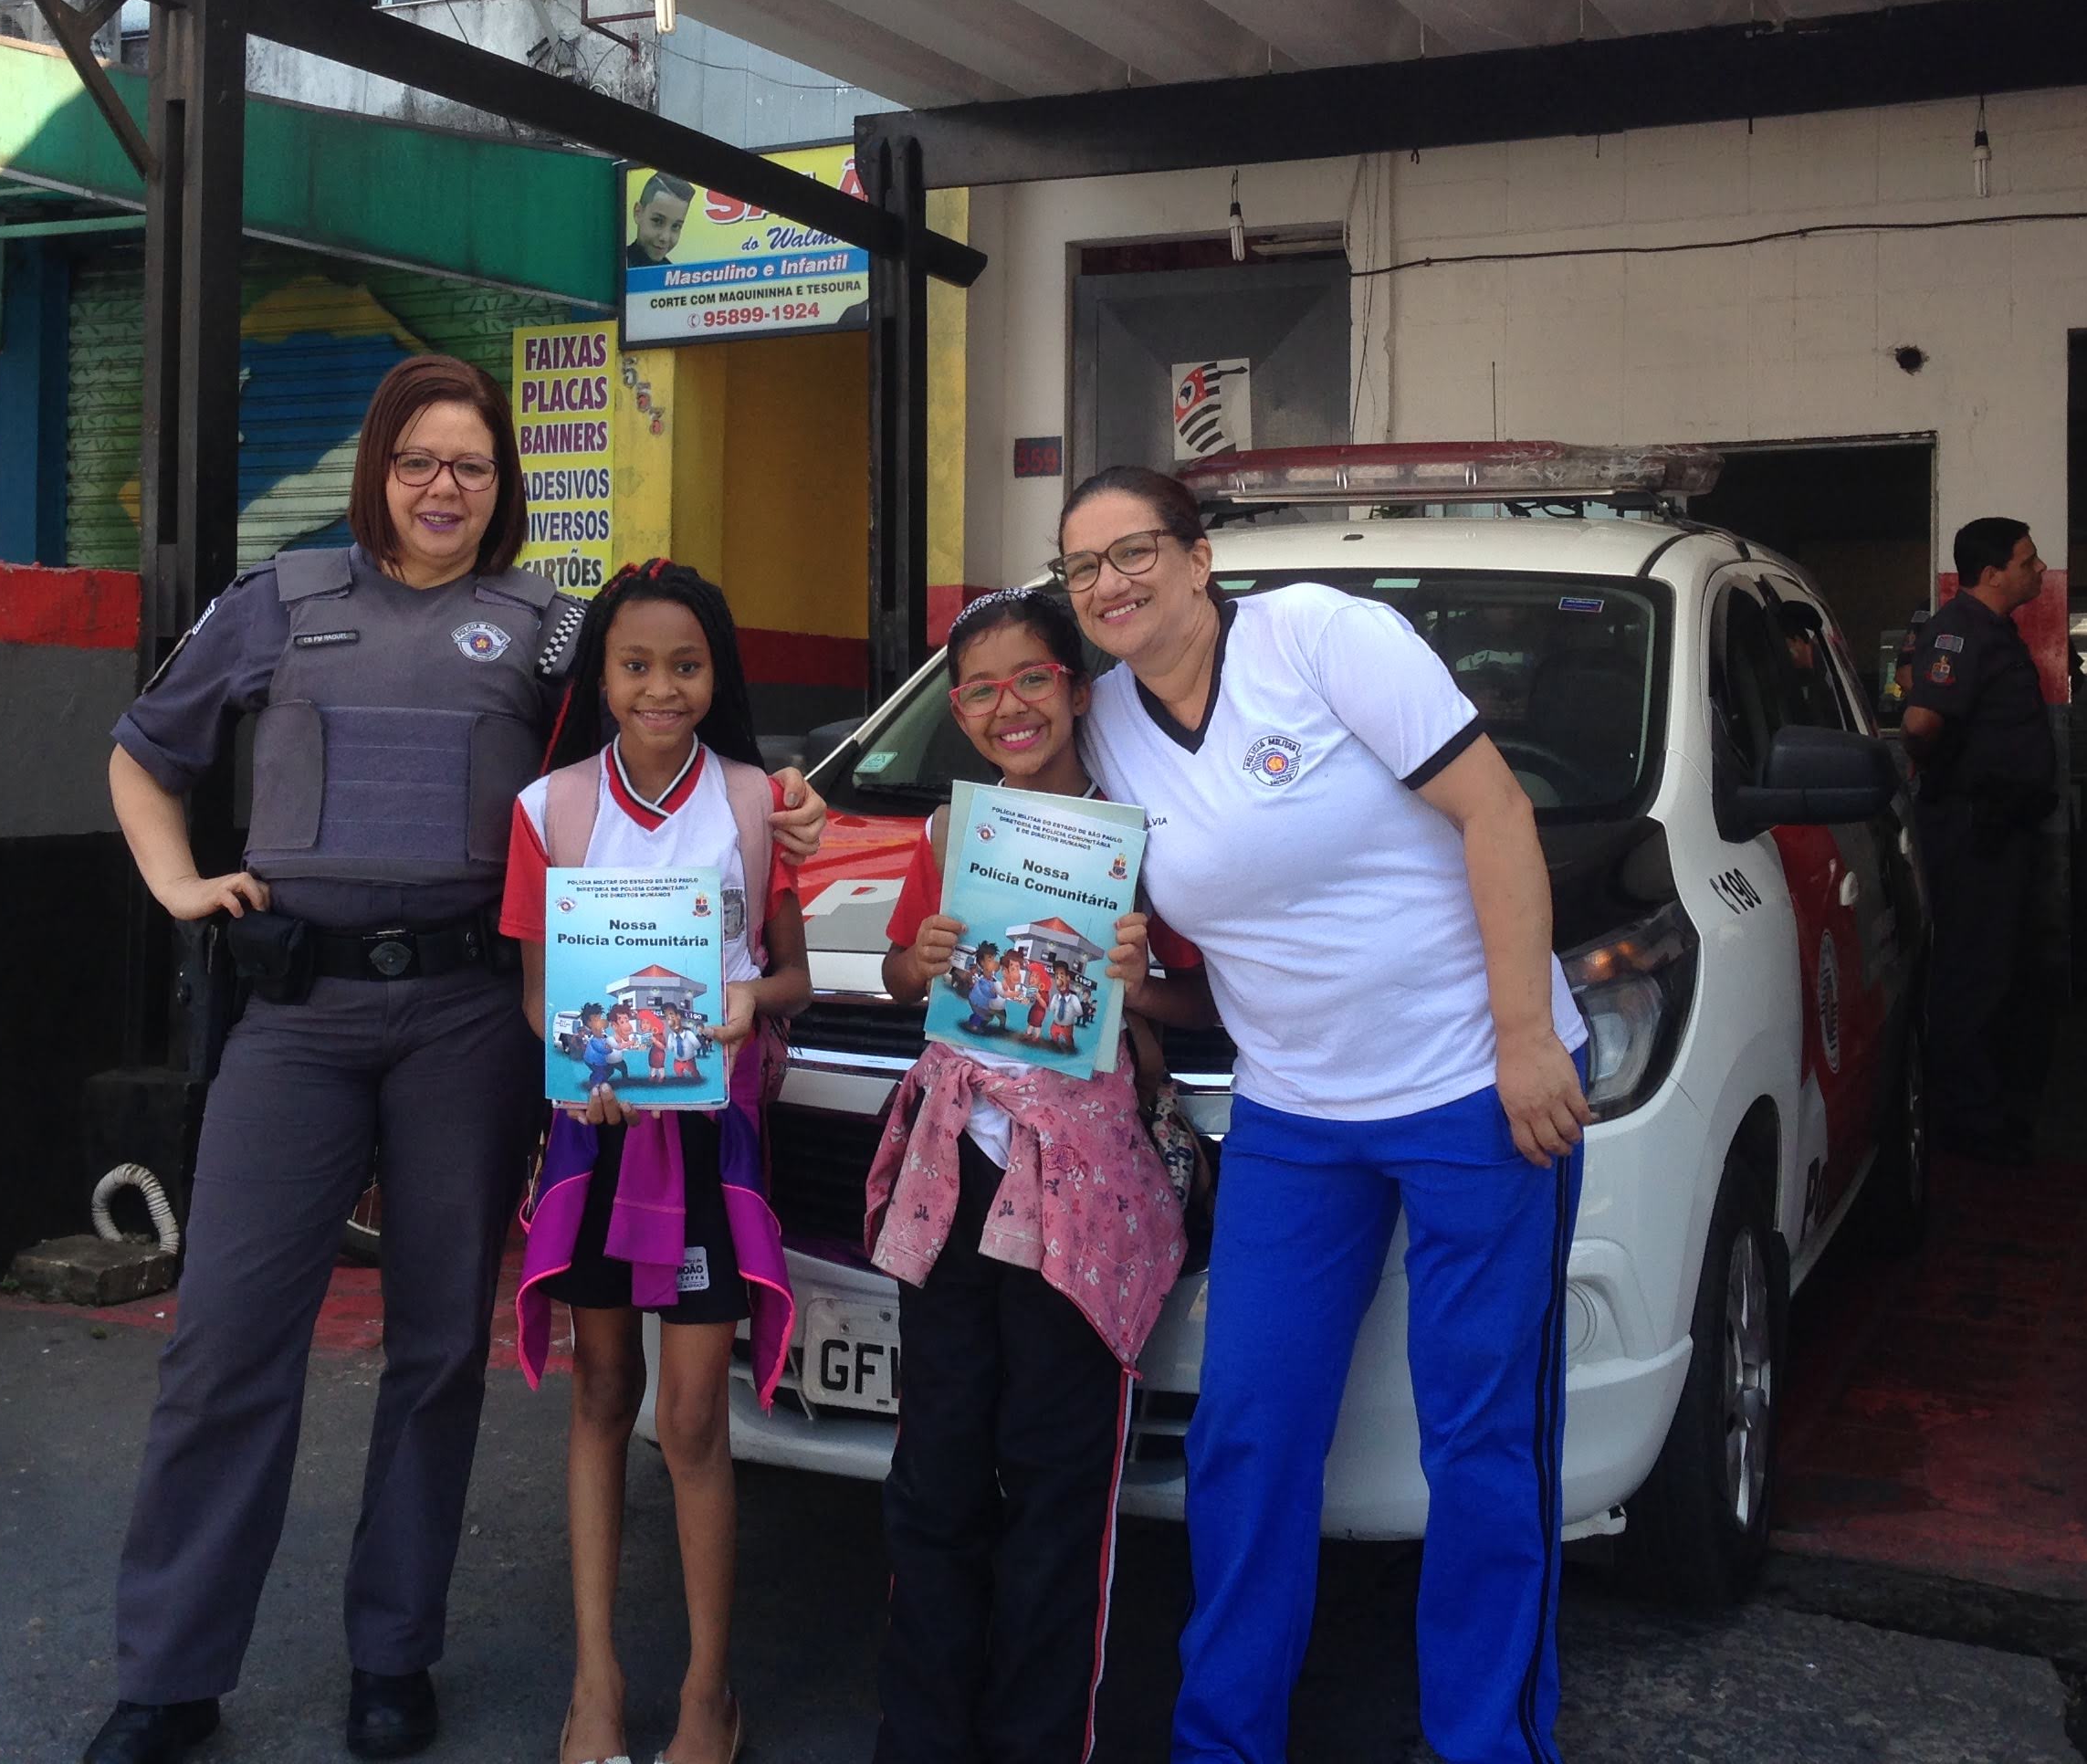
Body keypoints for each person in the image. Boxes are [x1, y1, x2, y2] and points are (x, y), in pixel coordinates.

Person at [85, 362, 827, 1764]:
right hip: (296, 1015)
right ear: (376, 468)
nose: (444, 488)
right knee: (227, 1339)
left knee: (437, 1347)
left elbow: (669, 718)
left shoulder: (551, 629)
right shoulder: (276, 601)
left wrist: (783, 802)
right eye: (418, 460)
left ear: (505, 486)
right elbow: (143, 752)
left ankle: (394, 1654)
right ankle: (170, 1674)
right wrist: (179, 885)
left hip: (471, 1021)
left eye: (472, 466)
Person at [1054, 466, 1592, 1764]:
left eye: (1135, 553)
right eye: (1082, 569)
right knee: (1250, 1433)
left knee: (1480, 1439)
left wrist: (1526, 1036)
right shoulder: (1108, 724)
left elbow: (1497, 812)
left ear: (1199, 559)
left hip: (1474, 1087)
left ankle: (1491, 1745)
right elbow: (1015, 799)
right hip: (1294, 1114)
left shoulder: (1323, 638)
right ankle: (1224, 1743)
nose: (1111, 584)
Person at [867, 588, 1209, 1764]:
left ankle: (1038, 1743)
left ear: (1079, 687)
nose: (1007, 706)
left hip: (1083, 1200)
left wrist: (1143, 983)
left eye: (1031, 679)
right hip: (953, 1186)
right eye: (978, 688)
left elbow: (1206, 997)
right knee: (936, 1479)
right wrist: (919, 961)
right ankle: (923, 1742)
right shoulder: (947, 837)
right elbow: (904, 977)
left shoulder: (1147, 837)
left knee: (1061, 1488)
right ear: (957, 708)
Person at [506, 561, 811, 1764]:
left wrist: (749, 1003)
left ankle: (705, 1692)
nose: (661, 688)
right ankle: (597, 1679)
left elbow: (792, 974)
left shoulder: (755, 803)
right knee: (599, 1391)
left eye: (686, 665)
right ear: (602, 675)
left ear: (716, 675)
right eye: (636, 665)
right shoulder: (549, 810)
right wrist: (576, 1061)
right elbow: (538, 997)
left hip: (709, 1140)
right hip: (598, 1135)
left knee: (690, 1419)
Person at [1902, 517, 2058, 1167]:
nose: (2040, 569)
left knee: (2002, 972)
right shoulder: (1959, 631)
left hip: (2001, 829)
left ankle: (1989, 1109)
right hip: (1974, 831)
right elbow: (1921, 722)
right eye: (2028, 560)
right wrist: (1946, 778)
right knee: (1973, 973)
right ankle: (1966, 1121)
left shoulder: (1993, 630)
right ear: (1992, 574)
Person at [625, 173, 695, 268]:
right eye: (657, 221)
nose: (665, 238)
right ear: (638, 212)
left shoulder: (672, 273)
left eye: (676, 226)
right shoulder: (613, 264)